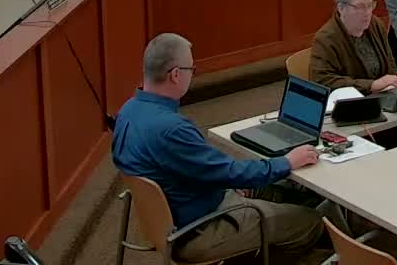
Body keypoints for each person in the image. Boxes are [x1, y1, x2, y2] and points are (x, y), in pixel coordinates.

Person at [112, 34, 326, 263]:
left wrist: (226, 182)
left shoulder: (128, 111)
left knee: (284, 191)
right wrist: (287, 162)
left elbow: (198, 169)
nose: (192, 75)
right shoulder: (172, 129)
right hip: (200, 228)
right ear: (175, 75)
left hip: (175, 215)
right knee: (310, 221)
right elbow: (229, 172)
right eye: (191, 69)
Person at [309, 0, 397, 94]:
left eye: (370, 5)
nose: (367, 12)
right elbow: (323, 81)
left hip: (382, 95)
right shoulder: (325, 39)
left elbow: (390, 65)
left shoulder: (375, 25)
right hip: (351, 101)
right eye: (360, 7)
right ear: (341, 8)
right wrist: (371, 85)